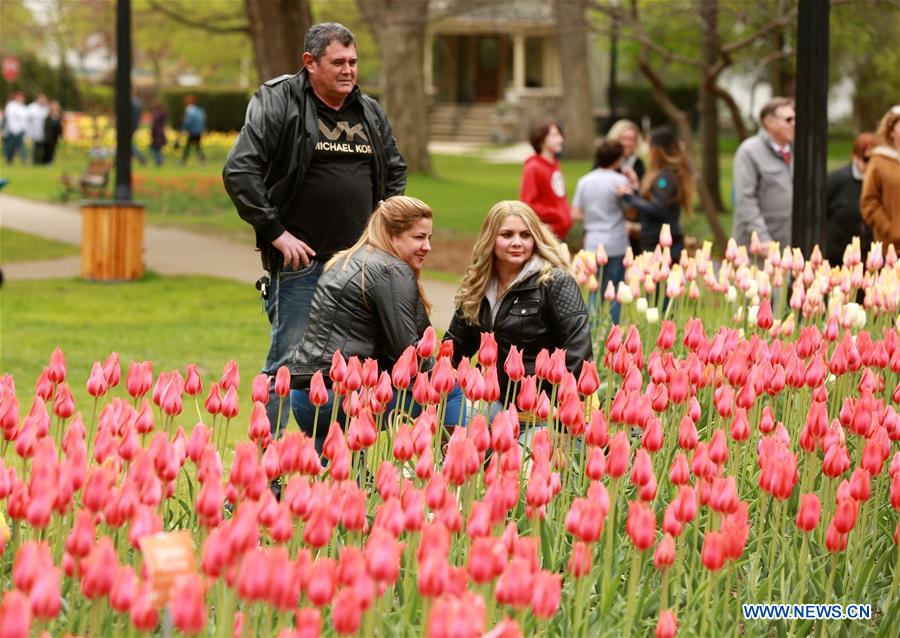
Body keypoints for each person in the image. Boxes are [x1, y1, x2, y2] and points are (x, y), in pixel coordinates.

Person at [223, 21, 407, 438]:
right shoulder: (278, 101)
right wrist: (276, 232)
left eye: (354, 62)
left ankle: (341, 463)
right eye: (337, 62)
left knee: (357, 368)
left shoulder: (368, 110)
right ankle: (262, 475)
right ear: (310, 63)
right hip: (302, 266)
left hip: (359, 268)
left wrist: (386, 228)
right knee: (288, 368)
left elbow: (395, 170)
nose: (348, 70)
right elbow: (240, 169)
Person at [291, 196, 464, 450]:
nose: (427, 246)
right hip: (343, 399)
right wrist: (442, 371)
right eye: (418, 238)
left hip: (304, 398)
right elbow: (408, 352)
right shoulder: (391, 269)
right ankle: (454, 467)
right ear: (392, 235)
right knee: (451, 391)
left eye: (429, 238)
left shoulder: (345, 260)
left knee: (341, 483)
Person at [444, 200, 592, 425]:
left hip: (540, 407)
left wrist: (567, 406)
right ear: (491, 238)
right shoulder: (478, 287)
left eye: (525, 235)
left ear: (535, 238)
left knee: (526, 459)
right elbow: (453, 347)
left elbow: (578, 347)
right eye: (507, 235)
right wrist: (437, 385)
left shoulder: (554, 282)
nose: (517, 242)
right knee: (458, 427)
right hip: (490, 398)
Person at [571, 139, 630, 324]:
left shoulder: (584, 181)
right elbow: (631, 210)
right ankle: (614, 329)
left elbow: (575, 214)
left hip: (593, 241)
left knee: (593, 290)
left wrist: (592, 218)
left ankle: (592, 330)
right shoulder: (620, 181)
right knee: (614, 290)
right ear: (618, 160)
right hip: (616, 241)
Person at [617, 126, 692, 262]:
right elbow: (656, 199)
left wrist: (629, 197)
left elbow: (659, 208)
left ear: (658, 150)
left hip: (659, 242)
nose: (648, 152)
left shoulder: (665, 177)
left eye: (650, 146)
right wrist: (635, 189)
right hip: (659, 238)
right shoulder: (668, 173)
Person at [732, 97, 795, 251]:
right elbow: (745, 200)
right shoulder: (749, 152)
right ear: (769, 122)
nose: (794, 123)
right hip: (757, 250)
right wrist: (762, 239)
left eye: (796, 118)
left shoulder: (797, 151)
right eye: (789, 119)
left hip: (788, 247)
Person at [824, 132, 876, 265]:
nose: (871, 165)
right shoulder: (836, 180)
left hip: (871, 257)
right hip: (838, 256)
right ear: (855, 157)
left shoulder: (879, 182)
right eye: (866, 159)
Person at [519, 121, 571, 240]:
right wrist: (555, 214)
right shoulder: (533, 167)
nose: (560, 139)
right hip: (545, 235)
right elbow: (528, 203)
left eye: (560, 135)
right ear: (541, 139)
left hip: (559, 234)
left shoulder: (555, 165)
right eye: (554, 135)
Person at [861, 106, 900, 251]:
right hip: (892, 249)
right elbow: (869, 203)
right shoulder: (879, 161)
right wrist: (890, 230)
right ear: (891, 132)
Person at [606, 119, 645, 184]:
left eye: (632, 139)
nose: (627, 143)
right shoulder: (605, 160)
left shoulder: (638, 163)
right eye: (623, 138)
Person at [3, 91, 28, 164]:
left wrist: (24, 130)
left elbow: (25, 120)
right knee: (10, 146)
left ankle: (23, 160)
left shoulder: (23, 107)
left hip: (20, 131)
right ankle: (9, 160)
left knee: (20, 146)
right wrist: (12, 129)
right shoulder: (10, 105)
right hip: (11, 130)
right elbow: (9, 118)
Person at [179, 95, 206, 164]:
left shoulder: (189, 110)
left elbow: (188, 122)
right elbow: (202, 120)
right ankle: (202, 160)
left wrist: (182, 128)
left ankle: (183, 160)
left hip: (193, 131)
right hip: (198, 131)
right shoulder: (199, 110)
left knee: (188, 147)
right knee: (197, 146)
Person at [26, 93, 49, 164]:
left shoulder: (47, 108)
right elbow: (26, 119)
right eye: (41, 99)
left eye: (44, 99)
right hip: (33, 131)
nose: (43, 101)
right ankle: (34, 161)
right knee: (34, 148)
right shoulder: (31, 108)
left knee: (44, 148)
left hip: (45, 132)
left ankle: (44, 161)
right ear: (37, 99)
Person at [41, 101, 63, 165]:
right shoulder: (48, 116)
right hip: (48, 135)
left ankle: (51, 161)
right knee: (47, 149)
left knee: (53, 149)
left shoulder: (59, 116)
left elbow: (60, 127)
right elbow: (46, 125)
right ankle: (45, 162)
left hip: (55, 135)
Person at [149, 102, 167, 166]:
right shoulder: (162, 113)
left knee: (154, 148)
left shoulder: (156, 114)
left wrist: (152, 134)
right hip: (161, 133)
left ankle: (158, 161)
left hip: (156, 133)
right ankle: (161, 160)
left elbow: (154, 125)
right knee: (158, 148)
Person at [131, 91, 146, 165]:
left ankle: (141, 158)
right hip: (135, 125)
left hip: (129, 125)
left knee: (127, 144)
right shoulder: (138, 102)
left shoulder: (131, 102)